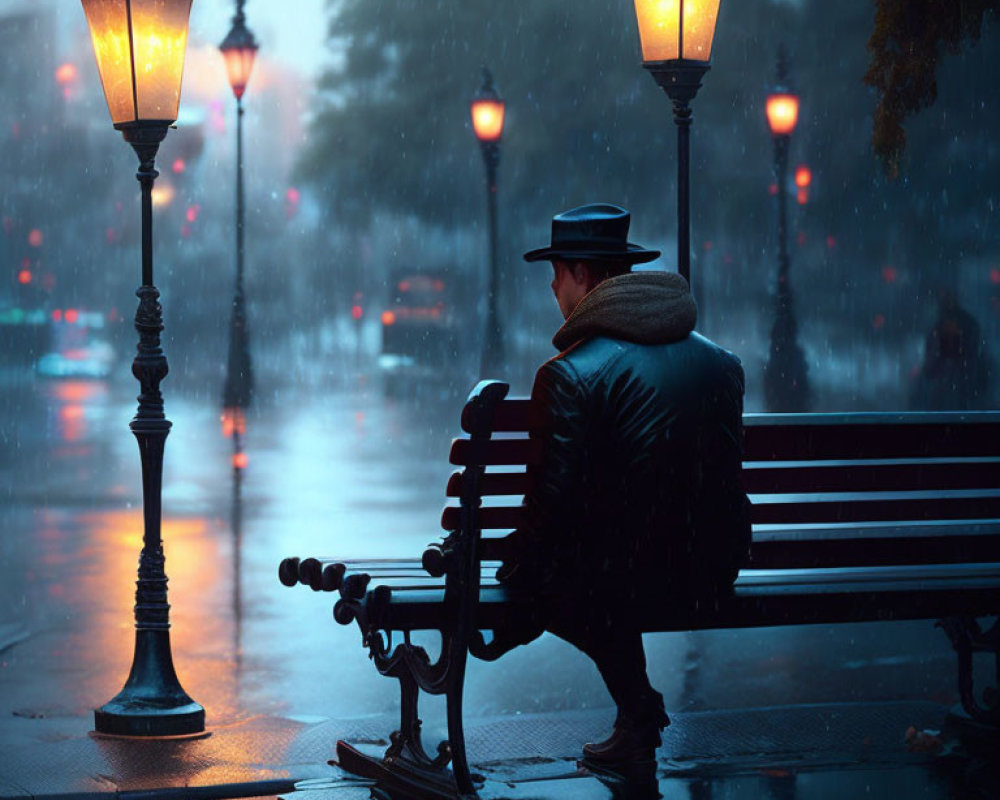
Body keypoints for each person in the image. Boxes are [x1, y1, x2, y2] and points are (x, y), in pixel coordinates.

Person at [497, 203, 751, 768]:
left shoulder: (568, 373)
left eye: (557, 273)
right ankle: (636, 718)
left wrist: (512, 593)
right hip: (715, 568)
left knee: (571, 573)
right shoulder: (721, 362)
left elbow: (549, 513)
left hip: (632, 582)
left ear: (582, 276)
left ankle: (637, 710)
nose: (552, 287)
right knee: (607, 557)